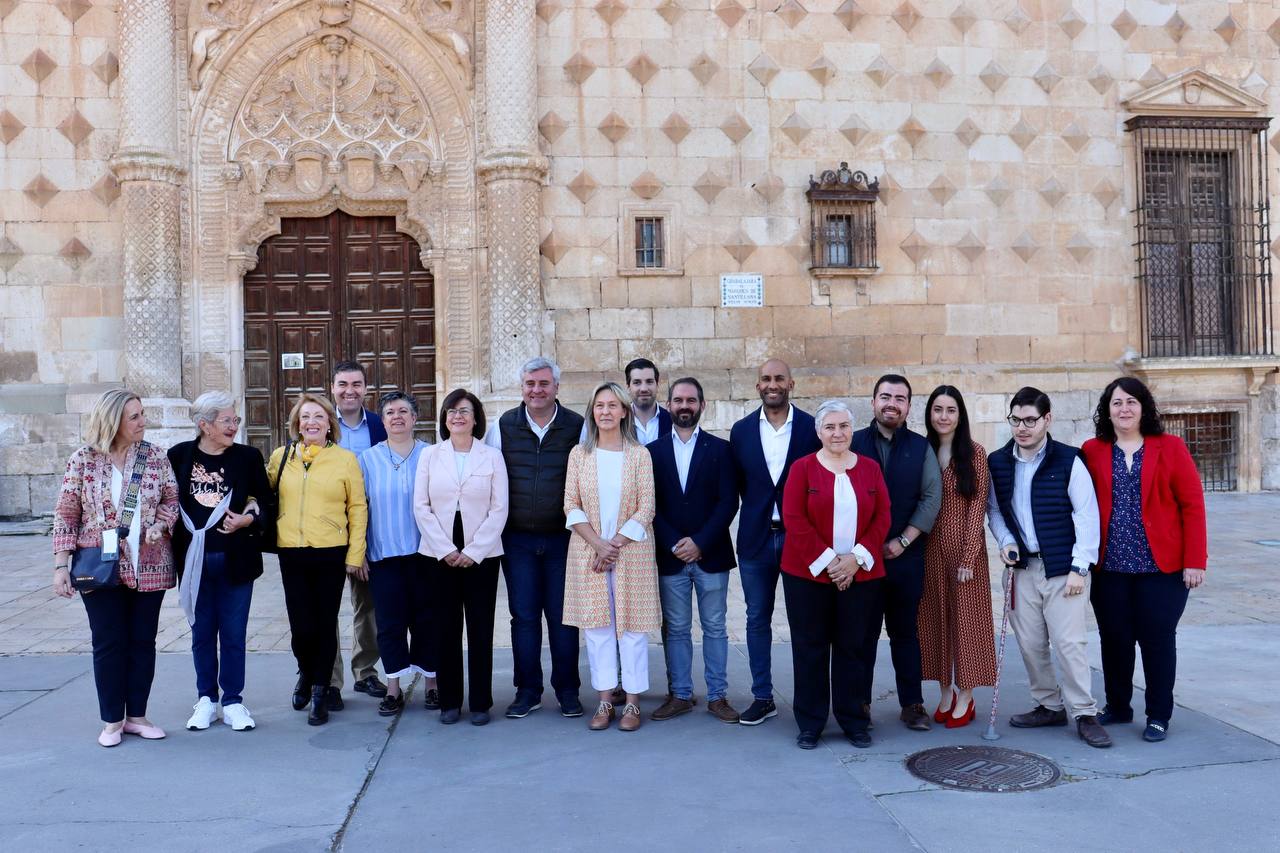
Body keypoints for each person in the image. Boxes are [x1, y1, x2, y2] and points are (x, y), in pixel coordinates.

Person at [1082, 377, 1207, 743]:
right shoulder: (1092, 450)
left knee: (1157, 640)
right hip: (1111, 567)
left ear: (1144, 407)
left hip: (1161, 568)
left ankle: (1158, 715)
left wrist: (1194, 560)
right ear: (1107, 410)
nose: (1124, 409)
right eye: (1117, 403)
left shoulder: (1170, 447)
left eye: (1131, 402)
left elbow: (1192, 505)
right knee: (1115, 639)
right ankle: (1119, 706)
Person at [52, 389, 179, 747]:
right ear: (113, 421)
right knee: (108, 642)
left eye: (142, 414)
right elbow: (66, 513)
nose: (143, 422)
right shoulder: (84, 460)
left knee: (142, 642)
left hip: (149, 565)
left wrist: (161, 525)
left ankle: (137, 715)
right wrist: (61, 564)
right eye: (135, 416)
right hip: (100, 565)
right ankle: (112, 720)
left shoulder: (154, 456)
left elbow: (171, 498)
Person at [987, 387, 1110, 748]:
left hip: (1063, 568)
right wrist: (1007, 542)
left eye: (1030, 420)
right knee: (1030, 643)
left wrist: (1080, 567)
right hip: (1022, 567)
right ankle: (1048, 705)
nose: (1022, 428)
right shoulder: (998, 461)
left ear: (1047, 420)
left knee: (1069, 643)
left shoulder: (1069, 460)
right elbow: (994, 510)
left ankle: (1084, 713)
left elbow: (1087, 515)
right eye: (1016, 420)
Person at [780, 400, 891, 749]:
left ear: (852, 429)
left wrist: (855, 560)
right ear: (819, 432)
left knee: (852, 648)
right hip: (807, 575)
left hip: (860, 575)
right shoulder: (802, 469)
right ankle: (811, 723)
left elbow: (883, 516)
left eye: (843, 426)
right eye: (830, 427)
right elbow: (794, 518)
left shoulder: (871, 469)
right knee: (810, 648)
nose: (838, 433)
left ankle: (853, 720)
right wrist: (831, 561)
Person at [487, 357, 586, 719]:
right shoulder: (503, 426)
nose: (536, 390)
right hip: (518, 541)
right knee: (524, 617)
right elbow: (492, 478)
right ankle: (527, 690)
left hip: (563, 540)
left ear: (557, 387)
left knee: (564, 618)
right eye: (530, 383)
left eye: (543, 383)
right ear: (522, 387)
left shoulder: (578, 426)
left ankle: (568, 691)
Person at [169, 391, 271, 733]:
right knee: (201, 633)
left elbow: (269, 504)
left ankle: (233, 701)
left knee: (233, 633)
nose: (234, 426)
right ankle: (206, 699)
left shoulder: (248, 457)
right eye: (227, 420)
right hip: (193, 560)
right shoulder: (178, 456)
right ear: (204, 424)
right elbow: (166, 504)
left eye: (235, 419)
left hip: (236, 559)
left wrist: (248, 520)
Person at [563, 382, 660, 732]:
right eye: (599, 405)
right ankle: (605, 699)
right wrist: (598, 545)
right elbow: (570, 504)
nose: (605, 411)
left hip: (630, 551)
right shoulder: (580, 454)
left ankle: (632, 703)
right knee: (598, 627)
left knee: (632, 628)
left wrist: (614, 544)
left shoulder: (639, 454)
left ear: (624, 411)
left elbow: (646, 506)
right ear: (592, 411)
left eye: (612, 405)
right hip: (589, 551)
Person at [728, 358, 821, 726]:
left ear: (791, 383)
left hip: (800, 541)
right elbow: (737, 487)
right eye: (766, 379)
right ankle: (762, 696)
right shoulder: (742, 431)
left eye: (779, 378)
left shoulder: (812, 428)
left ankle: (808, 700)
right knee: (756, 619)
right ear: (757, 386)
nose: (772, 384)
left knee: (805, 622)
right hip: (756, 540)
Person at [267, 393, 368, 726]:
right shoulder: (281, 457)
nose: (311, 423)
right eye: (305, 417)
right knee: (300, 624)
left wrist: (355, 553)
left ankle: (322, 689)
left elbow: (357, 507)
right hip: (291, 550)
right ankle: (306, 674)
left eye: (319, 417)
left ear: (329, 424)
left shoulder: (345, 460)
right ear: (297, 423)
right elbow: (263, 493)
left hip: (330, 550)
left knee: (324, 623)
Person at [850, 374, 941, 731]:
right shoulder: (853, 442)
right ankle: (859, 702)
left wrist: (903, 540)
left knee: (905, 633)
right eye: (885, 396)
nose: (892, 403)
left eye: (900, 398)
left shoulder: (920, 447)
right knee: (863, 634)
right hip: (861, 560)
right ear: (873, 402)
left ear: (908, 406)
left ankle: (912, 704)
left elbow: (932, 497)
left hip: (906, 558)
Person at [648, 378, 740, 724]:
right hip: (670, 556)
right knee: (676, 628)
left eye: (691, 400)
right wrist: (674, 542)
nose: (684, 406)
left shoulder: (721, 449)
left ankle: (718, 696)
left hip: (711, 554)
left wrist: (700, 541)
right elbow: (649, 505)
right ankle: (681, 694)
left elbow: (728, 501)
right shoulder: (652, 452)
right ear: (668, 405)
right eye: (677, 400)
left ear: (702, 405)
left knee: (715, 627)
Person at [414, 390, 509, 726]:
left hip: (481, 553)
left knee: (481, 628)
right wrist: (446, 549)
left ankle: (481, 703)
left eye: (464, 411)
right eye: (451, 411)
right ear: (444, 417)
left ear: (475, 418)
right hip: (438, 552)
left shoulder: (492, 456)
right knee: (445, 628)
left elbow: (499, 509)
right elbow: (421, 507)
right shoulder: (429, 456)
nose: (457, 416)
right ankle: (450, 701)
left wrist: (472, 551)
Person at [918, 386, 997, 729]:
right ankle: (945, 691)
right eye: (938, 409)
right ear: (930, 414)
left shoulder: (975, 453)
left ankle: (967, 694)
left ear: (960, 415)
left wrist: (968, 557)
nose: (944, 416)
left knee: (966, 625)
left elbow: (978, 507)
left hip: (967, 553)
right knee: (935, 622)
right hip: (929, 549)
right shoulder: (922, 450)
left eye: (951, 410)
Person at [358, 392, 437, 718]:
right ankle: (394, 687)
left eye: (404, 411)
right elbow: (359, 507)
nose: (397, 417)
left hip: (426, 553)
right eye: (390, 412)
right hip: (384, 554)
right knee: (389, 624)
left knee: (427, 621)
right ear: (383, 420)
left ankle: (432, 683)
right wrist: (359, 552)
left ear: (415, 417)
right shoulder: (367, 459)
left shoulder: (432, 455)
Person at [330, 361, 386, 703]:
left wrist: (361, 543)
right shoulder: (317, 423)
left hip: (367, 527)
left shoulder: (379, 425)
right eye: (342, 384)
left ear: (366, 388)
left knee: (368, 606)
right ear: (332, 387)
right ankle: (329, 678)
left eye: (356, 384)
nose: (349, 390)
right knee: (326, 608)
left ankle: (365, 672)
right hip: (327, 529)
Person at [624, 357, 672, 446]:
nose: (644, 389)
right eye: (637, 382)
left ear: (657, 385)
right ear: (628, 387)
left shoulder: (673, 422)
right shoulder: (619, 422)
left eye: (649, 382)